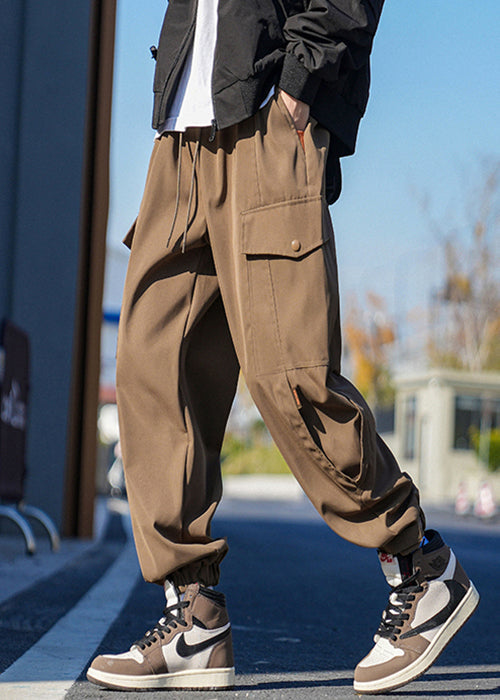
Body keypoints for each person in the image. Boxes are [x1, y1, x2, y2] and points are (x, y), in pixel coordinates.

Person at [87, 1, 479, 693]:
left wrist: (300, 86)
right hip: (181, 133)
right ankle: (194, 616)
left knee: (289, 377)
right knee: (152, 373)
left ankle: (421, 565)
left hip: (265, 114)